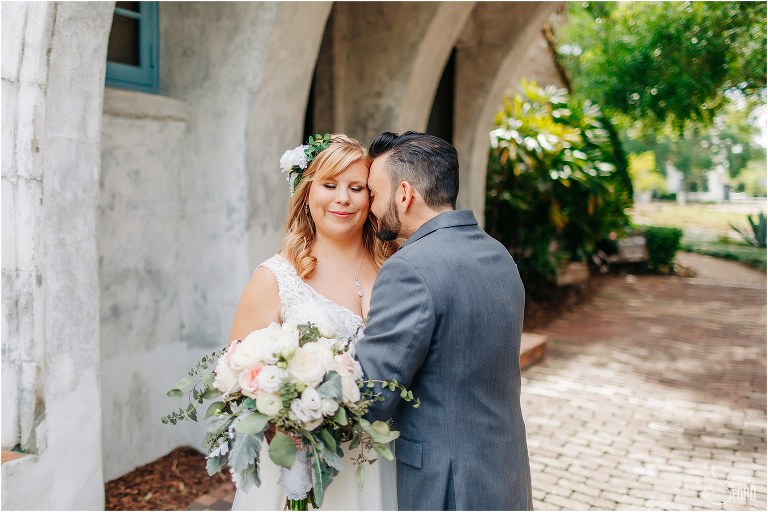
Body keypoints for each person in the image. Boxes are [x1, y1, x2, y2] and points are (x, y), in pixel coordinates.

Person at [355, 131, 533, 510]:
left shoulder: (408, 268)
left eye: (373, 192)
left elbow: (373, 397)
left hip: (445, 483)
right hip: (505, 470)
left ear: (404, 194)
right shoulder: (498, 254)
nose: (369, 206)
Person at [229, 134, 397, 510]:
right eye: (329, 185)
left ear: (372, 198)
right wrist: (290, 417)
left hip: (377, 461)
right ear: (306, 194)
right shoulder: (275, 278)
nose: (343, 198)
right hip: (301, 465)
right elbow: (237, 377)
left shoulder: (396, 270)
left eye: (357, 187)